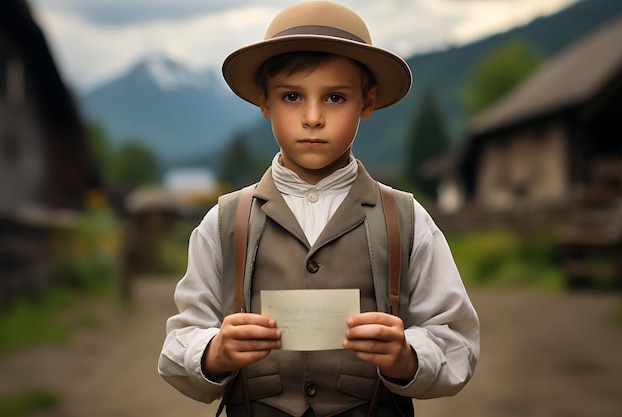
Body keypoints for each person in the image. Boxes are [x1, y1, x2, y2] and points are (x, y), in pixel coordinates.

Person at [158, 2, 479, 416]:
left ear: (367, 102)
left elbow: (457, 341)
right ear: (265, 104)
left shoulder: (406, 220)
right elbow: (178, 344)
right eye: (292, 96)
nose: (312, 118)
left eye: (334, 97)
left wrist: (408, 355)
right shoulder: (223, 222)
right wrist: (215, 351)